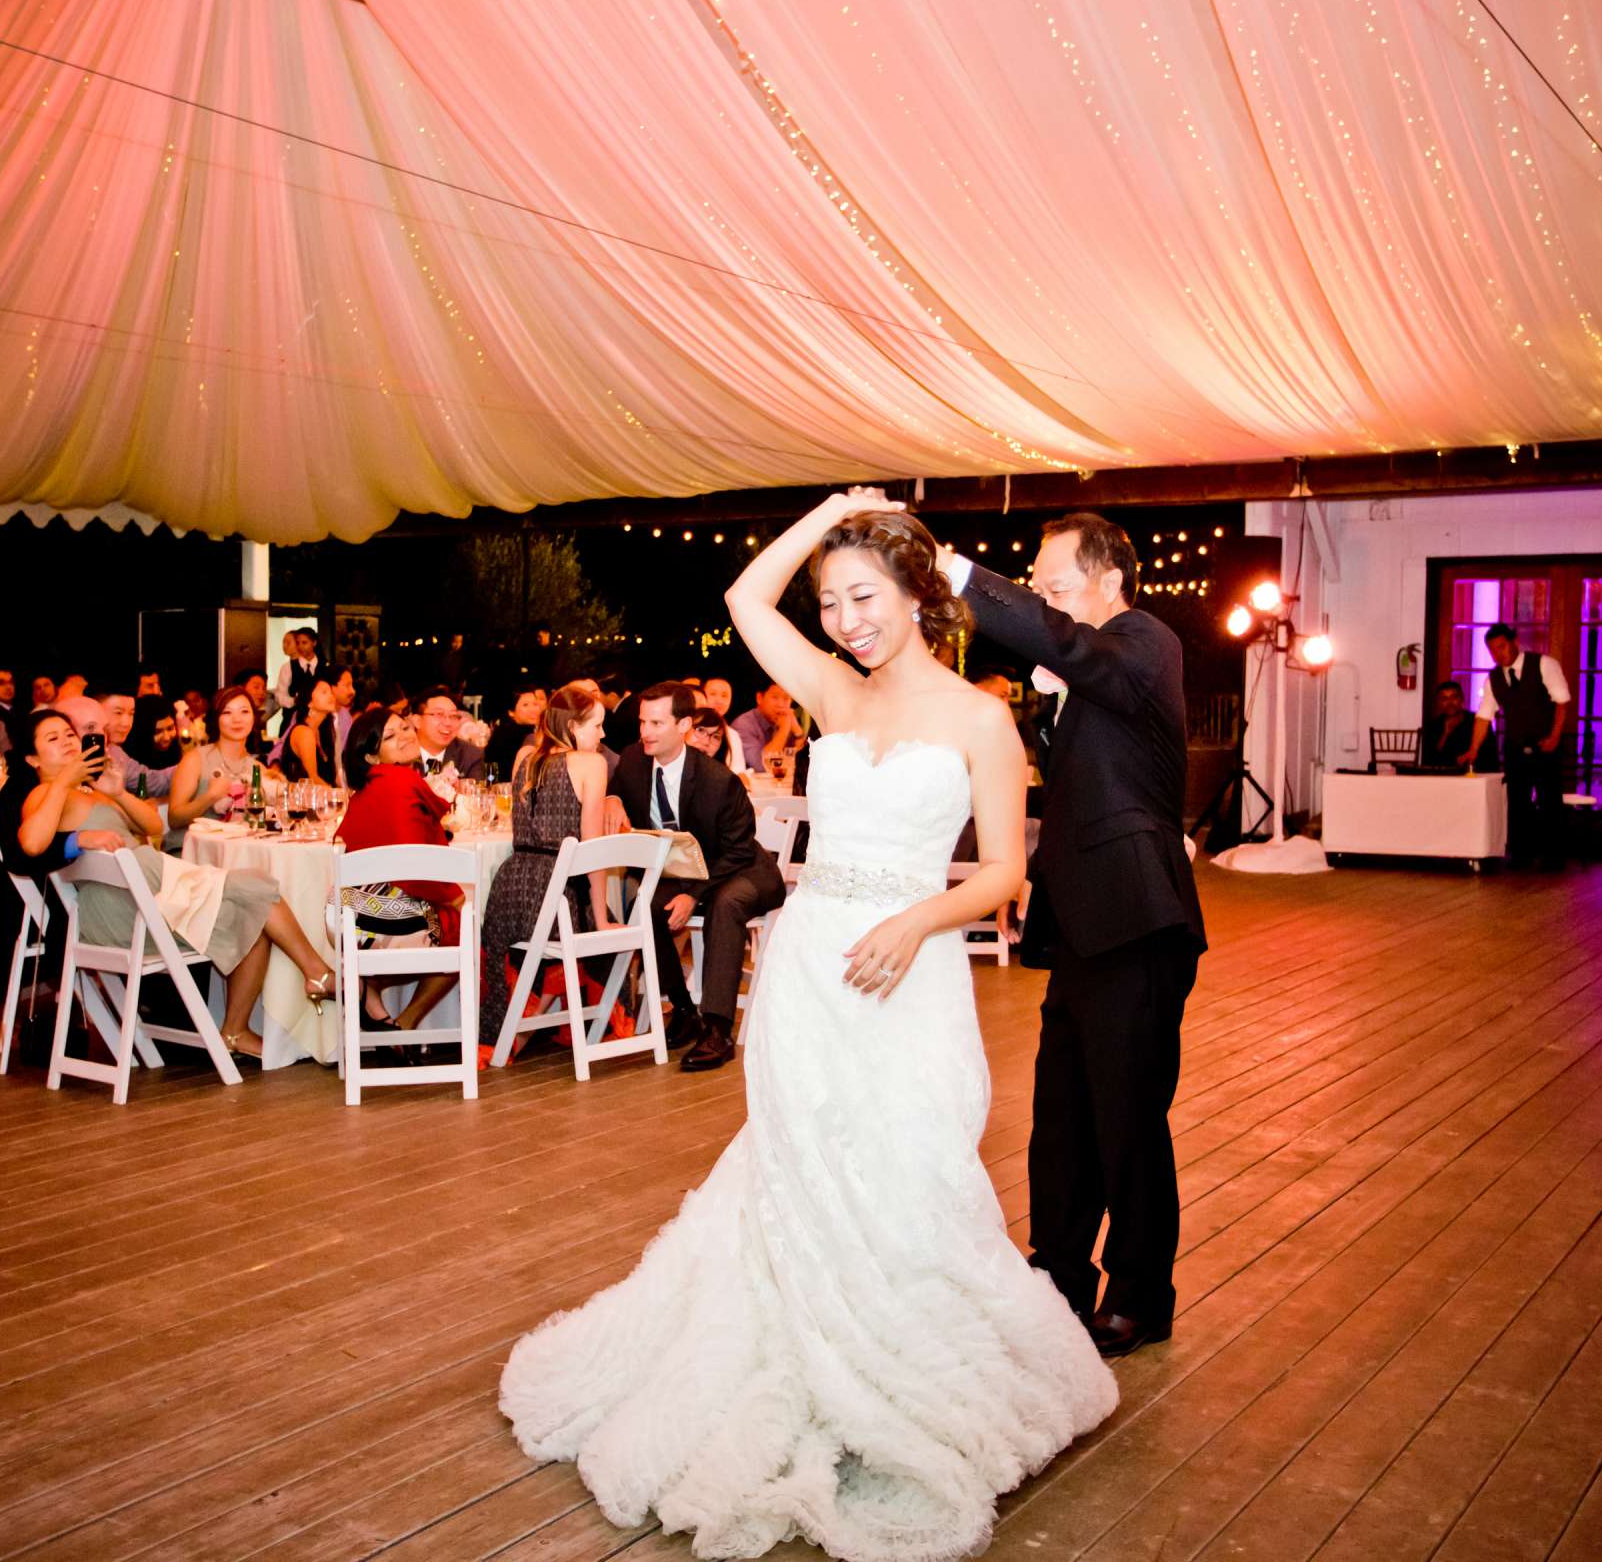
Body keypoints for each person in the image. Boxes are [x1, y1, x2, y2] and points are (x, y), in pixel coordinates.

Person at [502, 491, 1112, 1560]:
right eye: (831, 601)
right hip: (813, 970)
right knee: (800, 1169)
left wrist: (919, 918)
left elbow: (1010, 873)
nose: (846, 620)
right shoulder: (830, 688)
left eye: (864, 595)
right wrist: (831, 514)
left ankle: (903, 1369)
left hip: (909, 972)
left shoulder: (981, 717)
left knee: (913, 1168)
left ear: (919, 593)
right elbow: (744, 594)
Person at [942, 510, 1205, 1360]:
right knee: (1062, 1116)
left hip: (1139, 918)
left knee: (1128, 1116)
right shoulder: (1086, 678)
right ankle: (1056, 1276)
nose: (1046, 602)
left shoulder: (1145, 639)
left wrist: (961, 576)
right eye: (1041, 589)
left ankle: (1140, 1294)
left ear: (1108, 580)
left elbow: (1081, 654)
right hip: (1085, 924)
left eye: (1055, 588)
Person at [5, 709, 333, 1063]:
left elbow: (152, 825)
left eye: (69, 734)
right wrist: (63, 790)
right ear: (32, 757)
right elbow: (32, 844)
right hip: (128, 909)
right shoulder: (43, 794)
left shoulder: (94, 791)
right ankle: (315, 975)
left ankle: (240, 1028)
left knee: (255, 899)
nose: (68, 742)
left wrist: (117, 792)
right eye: (53, 739)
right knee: (258, 891)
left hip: (150, 894)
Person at [609, 681, 785, 1071]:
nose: (645, 732)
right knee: (649, 905)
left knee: (726, 904)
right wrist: (612, 798)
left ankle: (718, 1030)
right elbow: (616, 787)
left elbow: (738, 850)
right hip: (687, 867)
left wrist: (692, 894)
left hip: (741, 869)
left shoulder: (717, 780)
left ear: (684, 725)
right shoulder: (633, 761)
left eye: (656, 723)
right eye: (642, 722)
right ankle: (684, 1009)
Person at [478, 687, 613, 1046]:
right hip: (556, 891)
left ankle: (519, 1030)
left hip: (511, 889)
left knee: (550, 942)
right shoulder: (591, 764)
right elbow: (593, 849)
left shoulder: (525, 756)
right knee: (606, 931)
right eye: (597, 726)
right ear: (572, 726)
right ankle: (544, 1026)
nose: (602, 735)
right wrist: (601, 919)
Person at [333, 705, 466, 1034]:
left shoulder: (368, 788)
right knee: (467, 929)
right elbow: (414, 865)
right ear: (371, 757)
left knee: (454, 921)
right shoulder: (401, 781)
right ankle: (406, 1023)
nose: (405, 736)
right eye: (390, 736)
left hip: (349, 911)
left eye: (404, 728)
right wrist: (455, 899)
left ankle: (366, 989)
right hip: (381, 917)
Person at [1461, 622, 1574, 870]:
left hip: (1546, 744)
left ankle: (1553, 858)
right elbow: (1483, 716)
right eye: (1492, 650)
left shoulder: (1544, 664)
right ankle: (1521, 855)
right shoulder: (1493, 678)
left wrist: (1554, 737)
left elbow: (1561, 702)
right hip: (1515, 746)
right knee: (1518, 801)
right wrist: (1473, 749)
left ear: (1514, 643)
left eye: (1501, 647)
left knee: (1549, 800)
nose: (1498, 654)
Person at [168, 684, 278, 829]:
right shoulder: (195, 759)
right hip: (190, 847)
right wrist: (210, 797)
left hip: (237, 849)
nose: (237, 719)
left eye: (244, 711)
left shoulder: (258, 769)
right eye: (227, 712)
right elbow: (174, 820)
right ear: (216, 718)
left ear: (253, 718)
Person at [729, 680, 805, 777]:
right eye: (775, 697)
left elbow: (802, 762)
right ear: (759, 698)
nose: (781, 704)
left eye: (786, 698)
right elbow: (761, 766)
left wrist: (797, 730)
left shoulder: (785, 720)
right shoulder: (743, 725)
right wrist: (784, 729)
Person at [411, 687, 486, 781]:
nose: (448, 723)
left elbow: (476, 793)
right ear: (417, 721)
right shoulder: (401, 754)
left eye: (453, 716)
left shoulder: (470, 755)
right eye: (439, 714)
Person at [277, 673, 340, 784]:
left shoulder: (324, 732)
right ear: (309, 702)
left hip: (322, 798)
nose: (331, 696)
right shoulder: (303, 732)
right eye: (324, 692)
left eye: (331, 692)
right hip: (303, 799)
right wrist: (338, 796)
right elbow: (313, 780)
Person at [482, 684, 544, 786]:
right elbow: (492, 767)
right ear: (511, 712)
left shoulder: (532, 730)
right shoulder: (507, 734)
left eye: (535, 704)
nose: (533, 709)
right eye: (525, 705)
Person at [270, 627, 322, 736]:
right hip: (292, 721)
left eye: (304, 643)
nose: (301, 646)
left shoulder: (323, 666)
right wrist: (295, 701)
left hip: (319, 723)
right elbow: (280, 695)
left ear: (314, 643)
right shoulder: (287, 667)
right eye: (298, 643)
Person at [1419, 679, 1474, 769]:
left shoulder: (1475, 722)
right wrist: (1445, 734)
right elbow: (1429, 760)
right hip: (1443, 778)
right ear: (1439, 702)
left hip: (1473, 777)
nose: (1450, 703)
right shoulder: (1433, 726)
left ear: (1462, 699)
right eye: (1444, 699)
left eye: (1454, 697)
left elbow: (1489, 757)